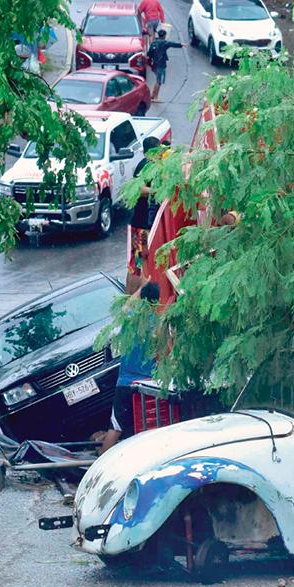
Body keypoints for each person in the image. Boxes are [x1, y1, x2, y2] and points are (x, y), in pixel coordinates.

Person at [101, 282, 161, 452]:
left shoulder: (128, 319)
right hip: (150, 386)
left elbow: (126, 305)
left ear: (141, 298)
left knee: (116, 427)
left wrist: (142, 287)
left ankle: (99, 463)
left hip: (126, 382)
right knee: (149, 426)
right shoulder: (158, 324)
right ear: (157, 301)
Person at [126, 140, 164, 293]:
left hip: (145, 224)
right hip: (140, 224)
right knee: (137, 263)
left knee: (142, 263)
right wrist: (155, 190)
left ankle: (135, 294)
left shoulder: (155, 166)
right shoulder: (144, 166)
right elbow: (137, 189)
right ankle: (129, 295)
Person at [145, 28, 182, 103]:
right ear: (164, 35)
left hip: (154, 64)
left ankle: (152, 95)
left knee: (157, 80)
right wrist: (181, 45)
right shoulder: (164, 43)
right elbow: (172, 44)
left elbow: (149, 54)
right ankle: (155, 97)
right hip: (161, 64)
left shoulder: (154, 43)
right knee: (159, 81)